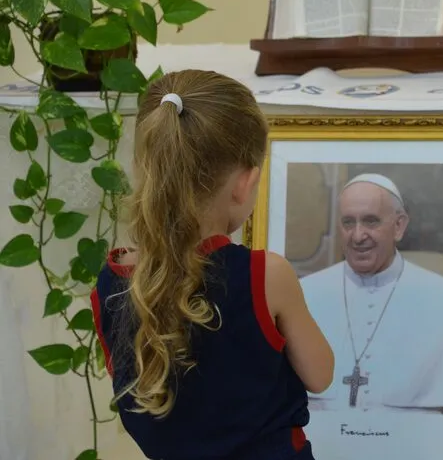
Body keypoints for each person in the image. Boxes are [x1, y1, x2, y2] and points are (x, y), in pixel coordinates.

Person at [90, 70, 334, 460]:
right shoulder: (266, 276)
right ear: (245, 183)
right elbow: (320, 375)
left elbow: (135, 397)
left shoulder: (111, 282)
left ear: (143, 171)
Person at [299, 173, 443, 414]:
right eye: (348, 222)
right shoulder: (304, 294)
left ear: (399, 225)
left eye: (371, 221)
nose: (358, 235)